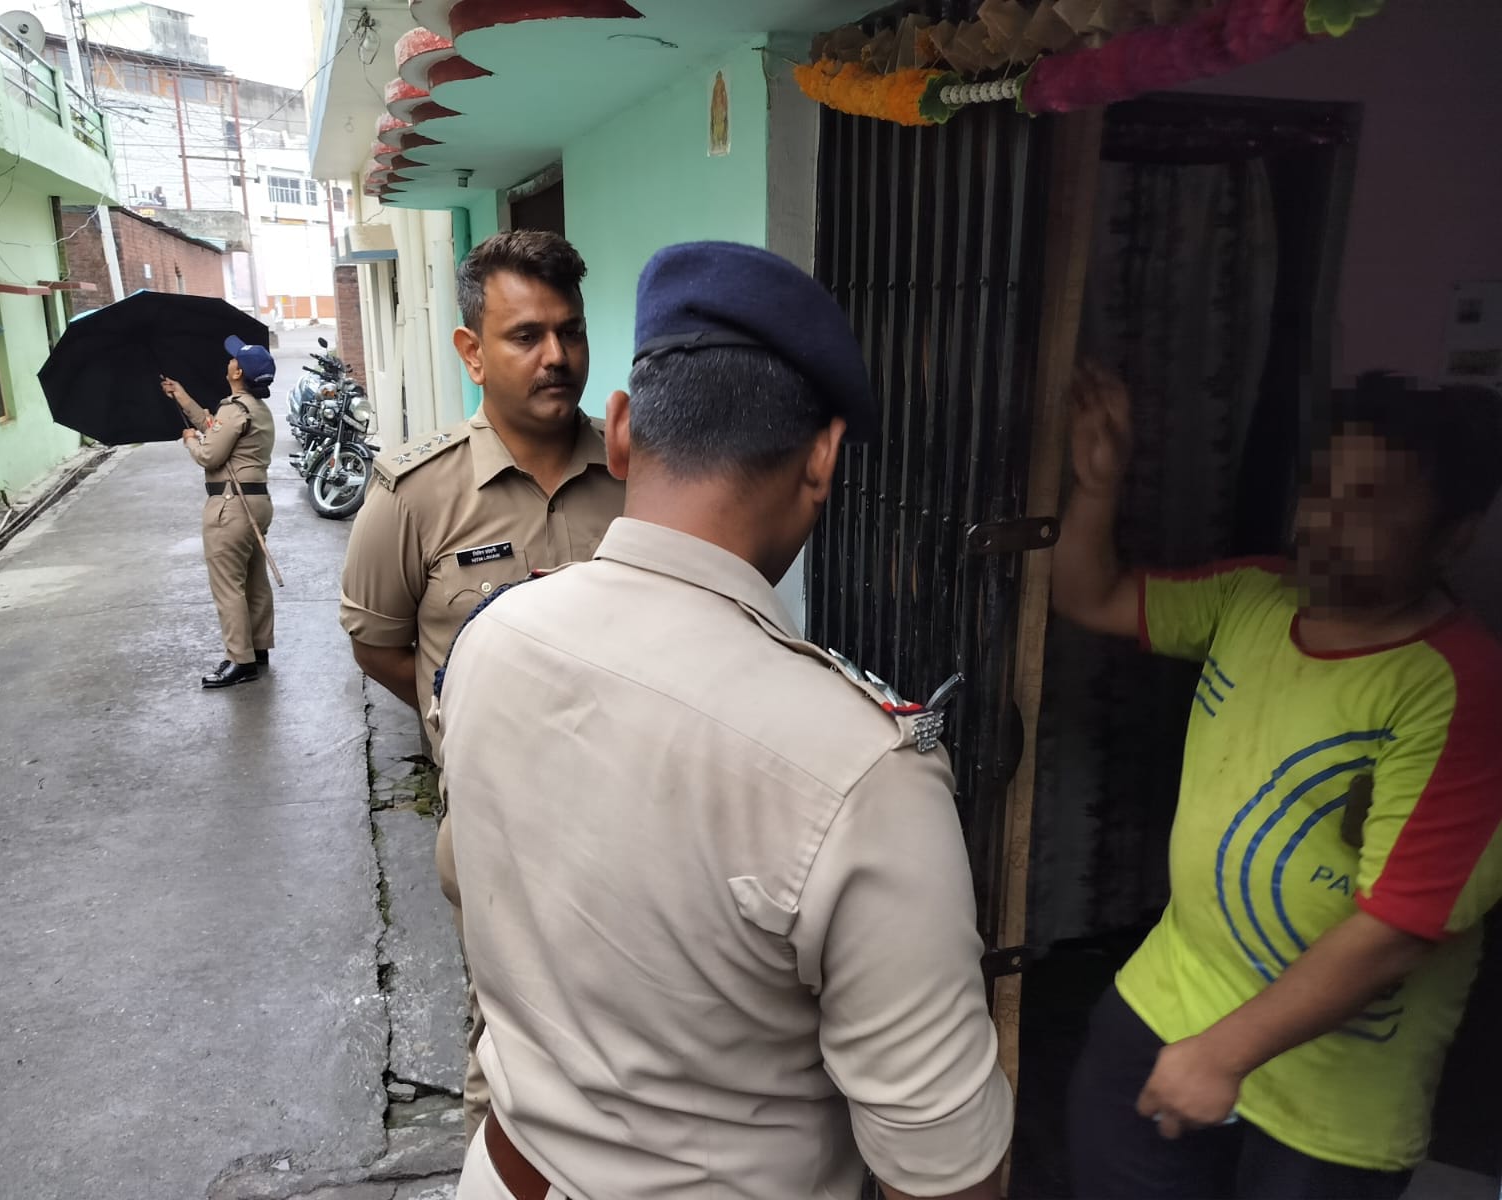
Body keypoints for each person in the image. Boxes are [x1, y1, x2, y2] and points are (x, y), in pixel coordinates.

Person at [435, 242, 1013, 1200]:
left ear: (622, 431)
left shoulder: (493, 639)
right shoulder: (860, 770)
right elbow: (943, 1172)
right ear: (823, 458)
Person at [1054, 367, 1502, 1199]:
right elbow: (1092, 595)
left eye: (1370, 501)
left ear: (1453, 535)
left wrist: (1222, 1055)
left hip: (1331, 1097)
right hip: (1169, 1002)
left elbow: (1402, 926)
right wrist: (1097, 488)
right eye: (1321, 489)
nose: (1326, 520)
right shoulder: (1254, 596)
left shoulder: (1461, 687)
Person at [338, 230, 625, 1141]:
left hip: (631, 819)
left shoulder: (636, 475)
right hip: (500, 832)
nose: (557, 356)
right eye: (526, 335)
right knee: (506, 1044)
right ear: (471, 350)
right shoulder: (415, 493)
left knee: (635, 1033)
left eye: (570, 331)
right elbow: (380, 644)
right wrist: (463, 720)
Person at [161, 336, 278, 689]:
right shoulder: (255, 408)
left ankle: (239, 660)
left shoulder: (234, 409)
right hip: (255, 504)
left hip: (230, 506)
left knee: (229, 586)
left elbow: (210, 454)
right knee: (254, 580)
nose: (228, 362)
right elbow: (217, 430)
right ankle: (258, 648)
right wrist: (183, 397)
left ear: (238, 373)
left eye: (233, 360)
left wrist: (190, 441)